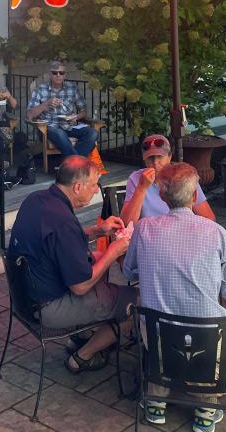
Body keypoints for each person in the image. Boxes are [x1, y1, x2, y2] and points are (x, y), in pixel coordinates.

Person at [122, 162, 226, 432]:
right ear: (193, 197)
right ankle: (205, 407)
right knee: (224, 324)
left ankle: (156, 402)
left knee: (155, 320)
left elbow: (128, 271)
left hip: (157, 337)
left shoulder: (144, 229)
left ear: (163, 197)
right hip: (206, 339)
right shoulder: (217, 233)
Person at [8, 156, 133, 373]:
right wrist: (113, 252)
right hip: (48, 307)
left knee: (96, 256)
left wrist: (97, 230)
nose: (96, 190)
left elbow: (56, 240)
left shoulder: (37, 199)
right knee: (140, 303)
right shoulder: (62, 221)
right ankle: (82, 357)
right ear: (77, 187)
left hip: (27, 296)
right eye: (94, 185)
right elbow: (80, 286)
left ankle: (81, 336)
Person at [119, 133, 216, 225]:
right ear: (144, 160)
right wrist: (141, 188)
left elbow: (209, 219)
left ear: (169, 157)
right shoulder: (136, 179)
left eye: (159, 157)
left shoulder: (184, 175)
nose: (155, 163)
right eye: (150, 158)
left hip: (181, 233)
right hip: (149, 235)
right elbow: (127, 223)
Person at [26, 61, 97, 160]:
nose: (58, 75)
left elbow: (84, 111)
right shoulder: (40, 90)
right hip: (49, 128)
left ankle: (72, 163)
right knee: (60, 133)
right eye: (55, 73)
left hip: (69, 126)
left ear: (65, 74)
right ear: (50, 74)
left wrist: (76, 117)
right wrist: (45, 104)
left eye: (61, 73)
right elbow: (29, 115)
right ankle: (77, 164)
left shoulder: (72, 88)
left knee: (92, 132)